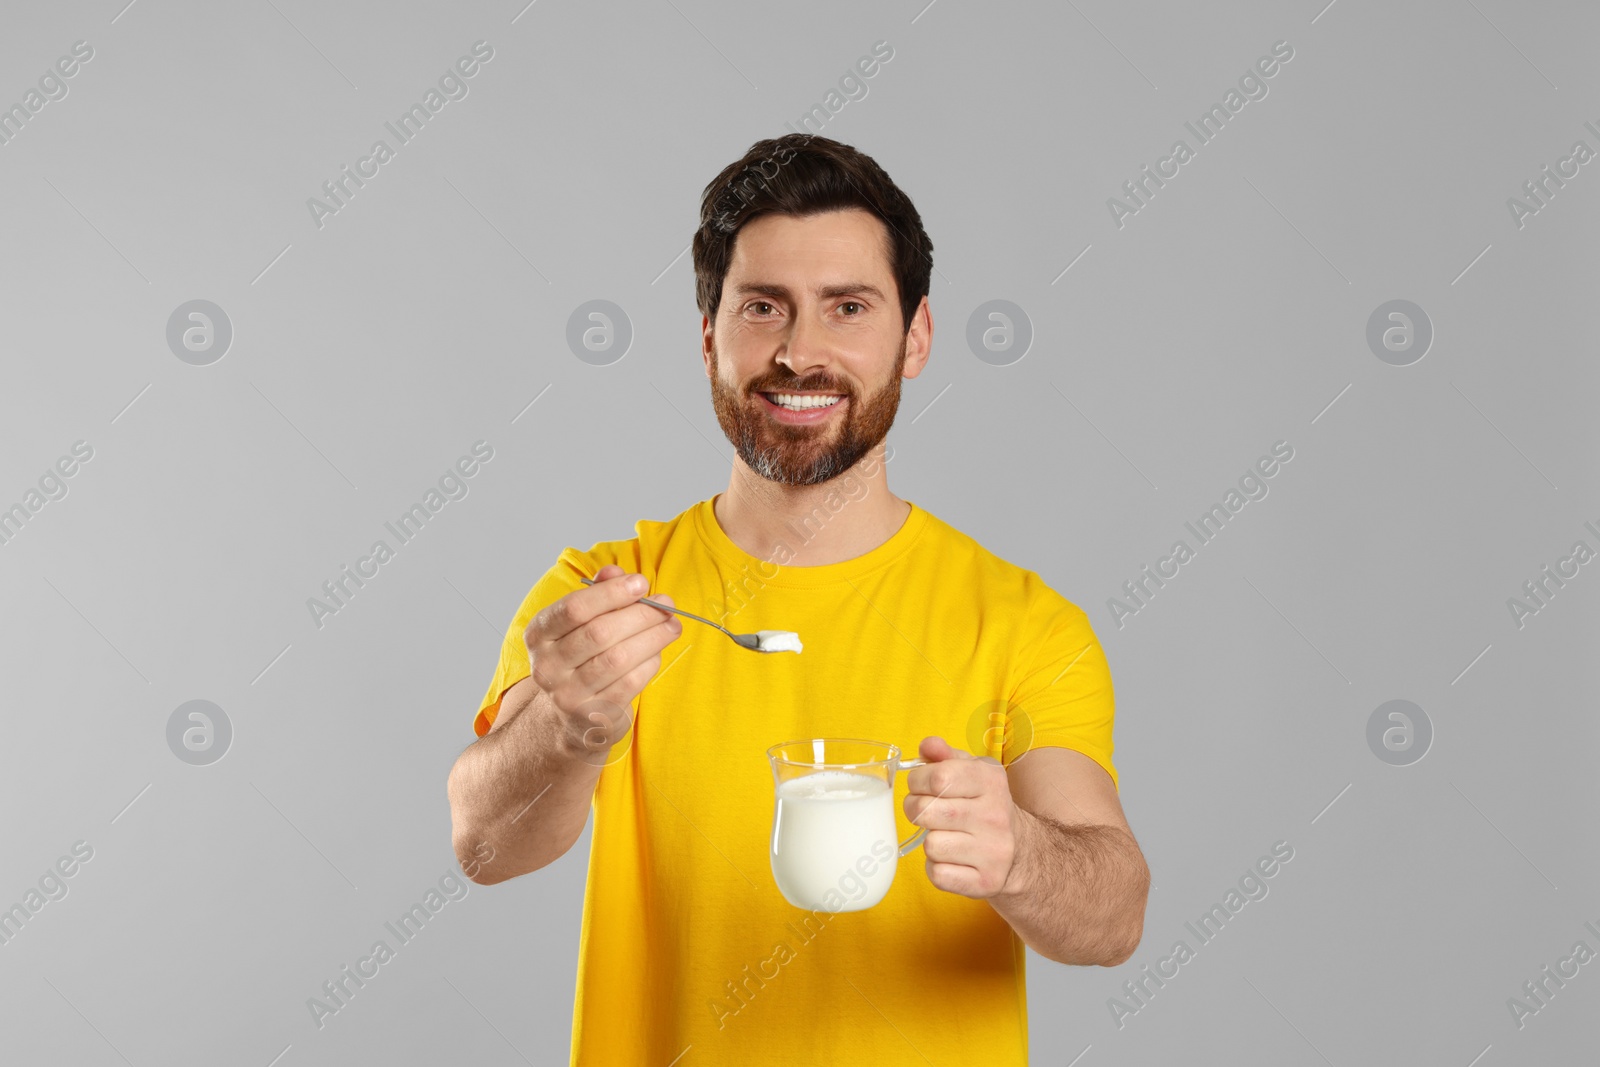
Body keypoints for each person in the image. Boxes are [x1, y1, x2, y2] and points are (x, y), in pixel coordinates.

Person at [446, 133, 1150, 1065]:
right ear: (708, 338)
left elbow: (1113, 917)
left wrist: (1019, 853)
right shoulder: (606, 594)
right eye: (762, 307)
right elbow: (483, 846)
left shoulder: (1023, 624)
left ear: (918, 335)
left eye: (848, 307)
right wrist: (570, 731)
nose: (799, 352)